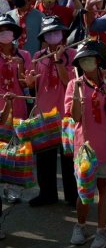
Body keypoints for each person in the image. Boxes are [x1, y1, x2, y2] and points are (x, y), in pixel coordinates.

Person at [66, 40, 106, 248]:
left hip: (105, 145)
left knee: (103, 186)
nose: (86, 63)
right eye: (82, 60)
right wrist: (77, 93)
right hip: (84, 148)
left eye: (89, 59)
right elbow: (75, 117)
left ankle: (102, 230)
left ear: (98, 60)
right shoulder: (74, 84)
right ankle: (80, 226)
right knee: (84, 189)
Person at [27, 16, 77, 207]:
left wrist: (58, 61)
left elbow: (69, 82)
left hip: (66, 113)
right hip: (44, 113)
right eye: (49, 33)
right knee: (44, 157)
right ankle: (47, 193)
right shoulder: (38, 56)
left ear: (63, 34)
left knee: (68, 157)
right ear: (44, 37)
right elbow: (35, 87)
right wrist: (30, 83)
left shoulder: (72, 55)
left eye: (56, 32)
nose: (53, 36)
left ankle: (72, 195)